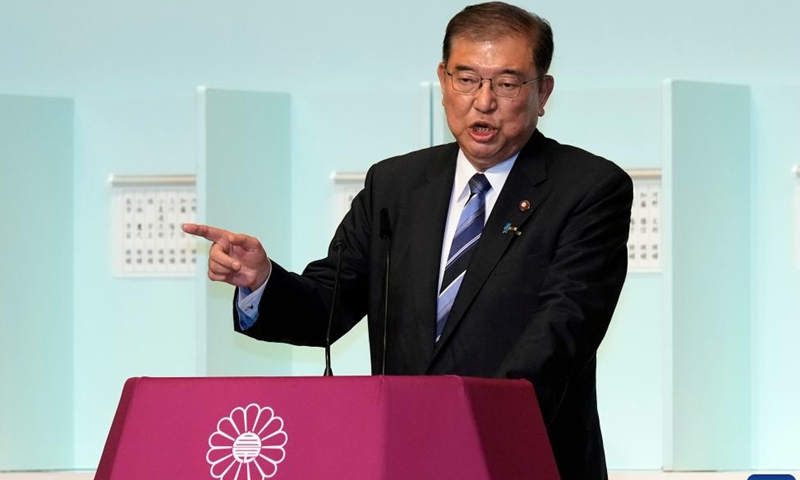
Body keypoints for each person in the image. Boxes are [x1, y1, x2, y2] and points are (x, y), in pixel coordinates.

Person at [184, 2, 632, 479]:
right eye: (466, 79)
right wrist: (261, 281)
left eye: (506, 83)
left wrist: (466, 423)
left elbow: (562, 331)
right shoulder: (395, 185)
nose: (483, 101)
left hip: (523, 456)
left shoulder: (588, 188)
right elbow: (327, 306)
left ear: (542, 91)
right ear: (443, 81)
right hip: (402, 456)